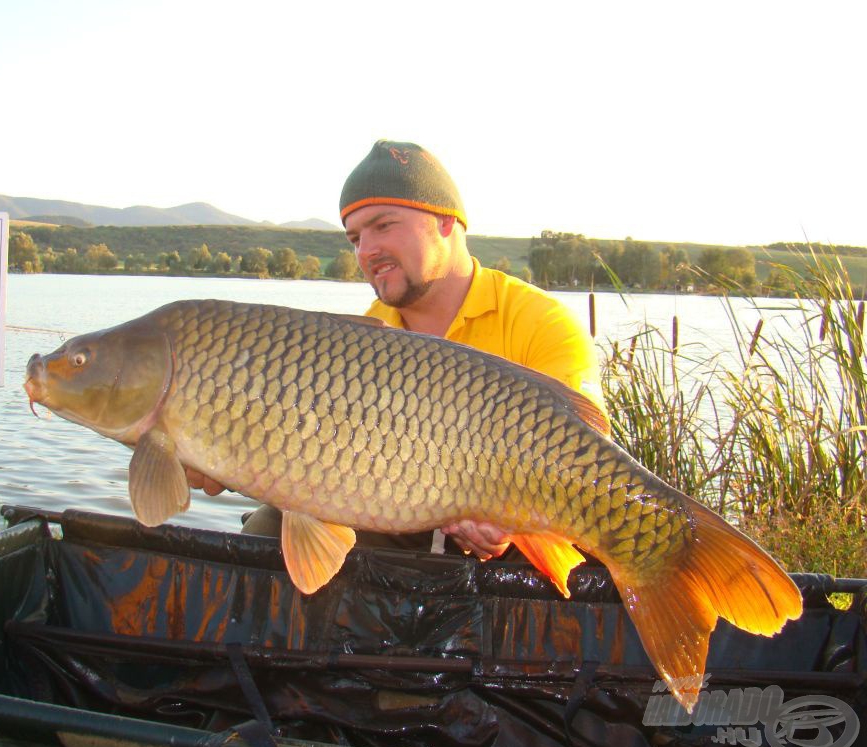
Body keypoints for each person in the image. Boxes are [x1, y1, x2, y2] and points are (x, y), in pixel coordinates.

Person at [188, 139, 607, 560]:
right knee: (267, 529)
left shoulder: (542, 322)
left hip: (525, 541)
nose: (365, 251)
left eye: (383, 225)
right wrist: (222, 448)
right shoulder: (365, 336)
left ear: (446, 221)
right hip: (393, 515)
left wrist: (512, 526)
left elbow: (585, 466)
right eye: (355, 237)